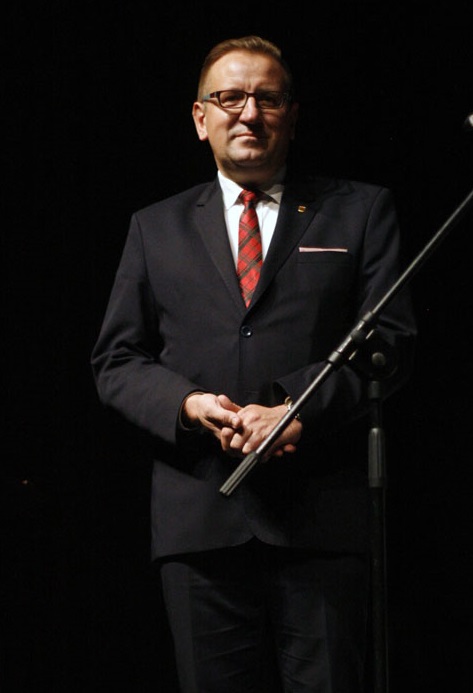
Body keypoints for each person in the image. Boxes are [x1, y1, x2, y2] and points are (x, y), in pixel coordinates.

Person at [91, 35, 416, 693]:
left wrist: (296, 408)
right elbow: (117, 360)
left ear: (292, 116)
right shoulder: (154, 227)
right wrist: (188, 406)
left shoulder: (359, 210)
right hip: (198, 519)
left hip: (320, 518)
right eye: (230, 97)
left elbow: (391, 342)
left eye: (268, 99)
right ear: (200, 117)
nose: (249, 113)